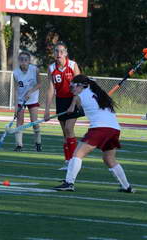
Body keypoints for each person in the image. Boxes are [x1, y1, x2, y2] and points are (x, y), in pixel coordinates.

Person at [49, 74, 135, 193]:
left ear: (81, 86)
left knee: (77, 154)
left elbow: (77, 109)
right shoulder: (99, 93)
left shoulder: (80, 96)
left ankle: (69, 182)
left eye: (73, 87)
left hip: (100, 128)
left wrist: (71, 109)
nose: (72, 90)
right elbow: (87, 109)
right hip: (114, 129)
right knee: (109, 159)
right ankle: (126, 186)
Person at [44, 41, 81, 169]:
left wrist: (73, 104)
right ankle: (67, 161)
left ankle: (74, 161)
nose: (58, 54)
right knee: (65, 134)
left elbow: (79, 85)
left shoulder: (72, 65)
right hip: (60, 101)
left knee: (69, 129)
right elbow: (50, 89)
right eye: (56, 51)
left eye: (61, 51)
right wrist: (47, 110)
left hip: (73, 99)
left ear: (65, 53)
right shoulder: (51, 68)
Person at [12, 51, 42, 152]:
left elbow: (39, 84)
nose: (23, 62)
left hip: (32, 98)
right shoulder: (15, 73)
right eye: (21, 60)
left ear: (29, 61)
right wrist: (16, 106)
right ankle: (19, 144)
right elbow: (16, 89)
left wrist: (30, 92)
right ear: (18, 61)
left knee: (34, 121)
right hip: (21, 99)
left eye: (26, 60)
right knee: (19, 121)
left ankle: (38, 142)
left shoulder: (35, 70)